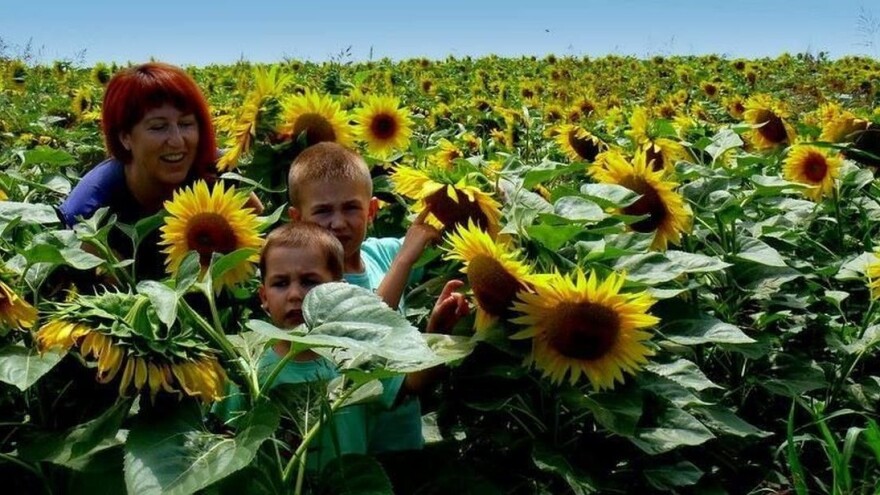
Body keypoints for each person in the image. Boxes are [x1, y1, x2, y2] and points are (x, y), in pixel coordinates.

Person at [286, 142, 462, 454]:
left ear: (372, 211)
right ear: (296, 219)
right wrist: (405, 261)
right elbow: (362, 333)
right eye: (323, 211)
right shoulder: (311, 288)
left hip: (406, 437)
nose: (338, 223)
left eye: (351, 208)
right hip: (358, 453)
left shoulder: (382, 252)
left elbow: (445, 243)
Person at [58, 62, 261, 281]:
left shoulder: (216, 167)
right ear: (125, 137)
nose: (176, 141)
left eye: (185, 124)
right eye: (158, 127)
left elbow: (255, 220)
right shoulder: (91, 211)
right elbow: (120, 293)